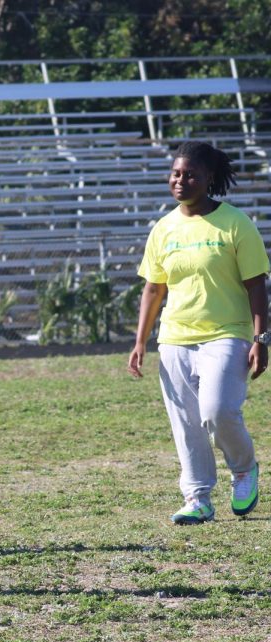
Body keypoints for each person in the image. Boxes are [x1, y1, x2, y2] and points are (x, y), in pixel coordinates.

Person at [128, 140, 269, 525]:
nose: (180, 180)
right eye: (175, 173)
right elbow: (154, 288)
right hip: (175, 337)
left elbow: (257, 284)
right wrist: (141, 341)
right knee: (186, 422)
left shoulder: (235, 223)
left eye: (190, 174)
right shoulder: (164, 227)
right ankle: (198, 497)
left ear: (208, 178)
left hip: (228, 333)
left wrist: (261, 339)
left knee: (218, 411)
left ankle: (244, 469)